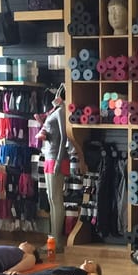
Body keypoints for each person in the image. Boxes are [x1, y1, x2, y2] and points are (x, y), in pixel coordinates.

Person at [38, 83, 84, 250]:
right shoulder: (55, 111)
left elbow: (64, 137)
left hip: (56, 158)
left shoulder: (61, 111)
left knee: (56, 199)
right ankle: (53, 238)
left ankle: (57, 240)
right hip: (49, 156)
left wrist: (58, 160)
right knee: (51, 198)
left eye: (58, 92)